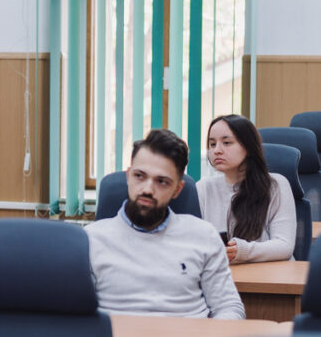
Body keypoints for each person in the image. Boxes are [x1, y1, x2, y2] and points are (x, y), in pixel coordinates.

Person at [86, 129, 245, 319]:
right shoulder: (90, 239)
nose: (147, 189)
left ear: (177, 190)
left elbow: (229, 307)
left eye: (161, 181)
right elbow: (75, 314)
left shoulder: (203, 236)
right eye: (140, 176)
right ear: (128, 176)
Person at [197, 114, 296, 263]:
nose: (217, 150)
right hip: (221, 276)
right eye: (212, 144)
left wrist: (243, 251)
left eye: (227, 143)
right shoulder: (204, 188)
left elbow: (284, 246)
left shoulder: (275, 185)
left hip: (270, 277)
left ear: (248, 147)